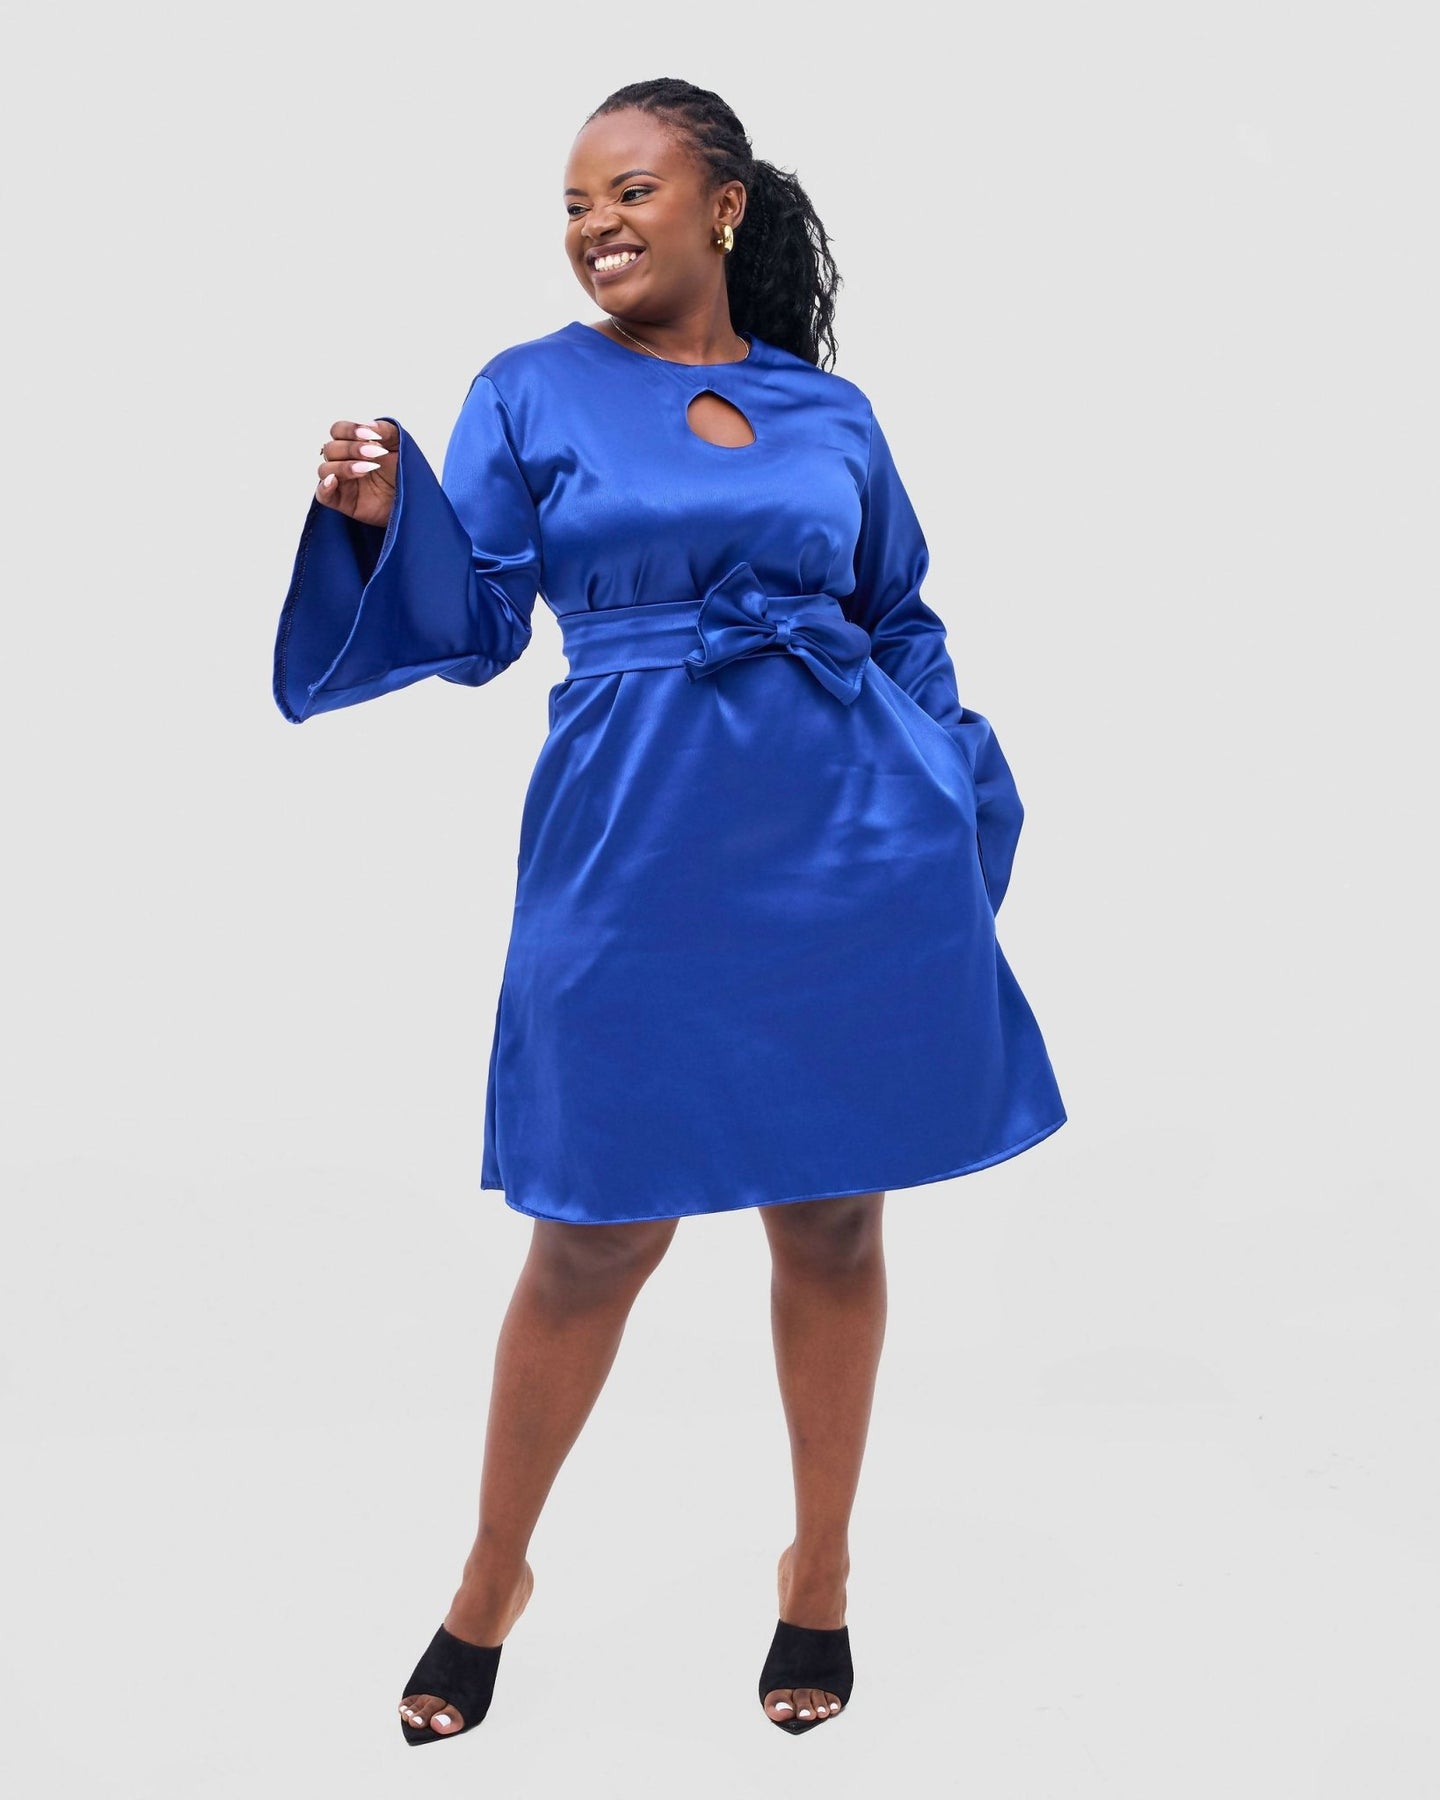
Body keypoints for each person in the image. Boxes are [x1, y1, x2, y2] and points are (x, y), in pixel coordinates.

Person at [273, 76, 1067, 1744]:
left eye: (628, 191)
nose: (596, 228)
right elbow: (481, 621)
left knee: (834, 1219)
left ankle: (820, 1572)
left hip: (845, 852)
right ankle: (491, 1579)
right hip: (634, 857)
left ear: (724, 206)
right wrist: (387, 524)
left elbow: (900, 614)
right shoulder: (528, 388)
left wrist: (947, 785)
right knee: (591, 1234)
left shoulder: (829, 411)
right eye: (574, 205)